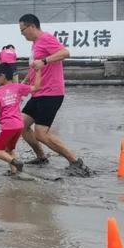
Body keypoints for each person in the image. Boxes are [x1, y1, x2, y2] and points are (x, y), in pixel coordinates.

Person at [18, 13, 91, 177]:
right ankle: (41, 157)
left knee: (41, 133)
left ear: (32, 27)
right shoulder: (36, 43)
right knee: (21, 125)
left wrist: (44, 61)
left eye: (22, 30)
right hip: (38, 93)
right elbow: (34, 67)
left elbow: (65, 53)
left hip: (51, 93)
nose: (22, 34)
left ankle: (75, 162)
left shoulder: (46, 38)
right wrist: (23, 84)